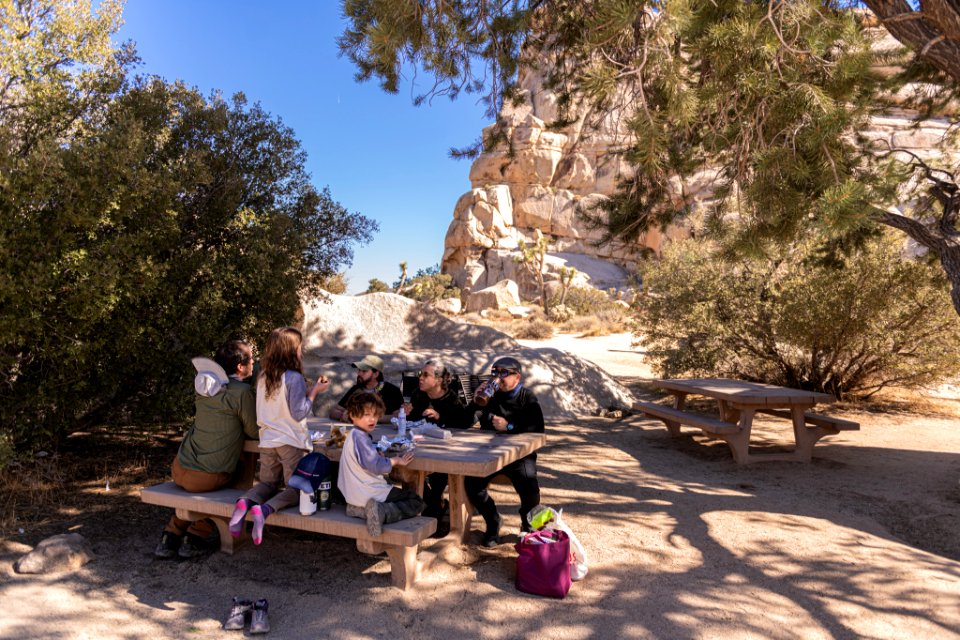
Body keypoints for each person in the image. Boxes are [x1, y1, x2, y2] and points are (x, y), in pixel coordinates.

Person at [154, 339, 258, 559]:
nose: (254, 362)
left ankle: (171, 534)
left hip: (180, 466)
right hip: (205, 478)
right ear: (240, 367)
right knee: (237, 474)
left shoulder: (204, 386)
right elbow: (254, 432)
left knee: (205, 479)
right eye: (251, 358)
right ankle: (196, 533)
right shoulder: (241, 392)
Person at [228, 327, 329, 545]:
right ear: (292, 351)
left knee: (267, 483)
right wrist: (313, 393)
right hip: (290, 441)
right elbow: (299, 412)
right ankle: (263, 511)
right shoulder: (294, 378)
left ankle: (245, 503)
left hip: (267, 440)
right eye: (300, 347)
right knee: (294, 488)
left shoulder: (263, 376)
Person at [464, 356, 544, 548]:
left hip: (519, 455)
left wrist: (509, 426)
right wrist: (475, 401)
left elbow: (538, 428)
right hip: (489, 454)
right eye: (495, 372)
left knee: (529, 486)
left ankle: (528, 523)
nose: (498, 377)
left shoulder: (527, 397)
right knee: (472, 484)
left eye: (503, 373)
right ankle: (493, 522)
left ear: (517, 376)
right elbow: (464, 423)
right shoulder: (489, 395)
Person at [400, 359, 473, 534]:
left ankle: (435, 511)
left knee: (438, 477)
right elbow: (414, 420)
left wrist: (440, 417)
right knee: (407, 469)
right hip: (421, 445)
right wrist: (407, 413)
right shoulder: (419, 394)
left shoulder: (451, 398)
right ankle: (434, 506)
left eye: (426, 375)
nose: (421, 378)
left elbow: (462, 424)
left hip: (446, 448)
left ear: (439, 380)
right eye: (420, 374)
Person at [339, 393, 425, 536]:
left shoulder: (354, 435)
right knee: (415, 501)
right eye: (366, 414)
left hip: (353, 495)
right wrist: (395, 461)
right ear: (353, 415)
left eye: (375, 415)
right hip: (368, 492)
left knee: (401, 496)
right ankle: (381, 512)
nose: (372, 419)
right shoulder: (360, 438)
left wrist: (377, 454)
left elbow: (366, 460)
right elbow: (375, 466)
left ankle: (361, 510)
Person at [328, 354, 403, 424]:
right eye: (359, 370)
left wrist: (366, 418)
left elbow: (399, 416)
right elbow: (333, 411)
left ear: (376, 374)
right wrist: (343, 415)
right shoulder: (356, 389)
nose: (359, 373)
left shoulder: (392, 391)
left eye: (364, 371)